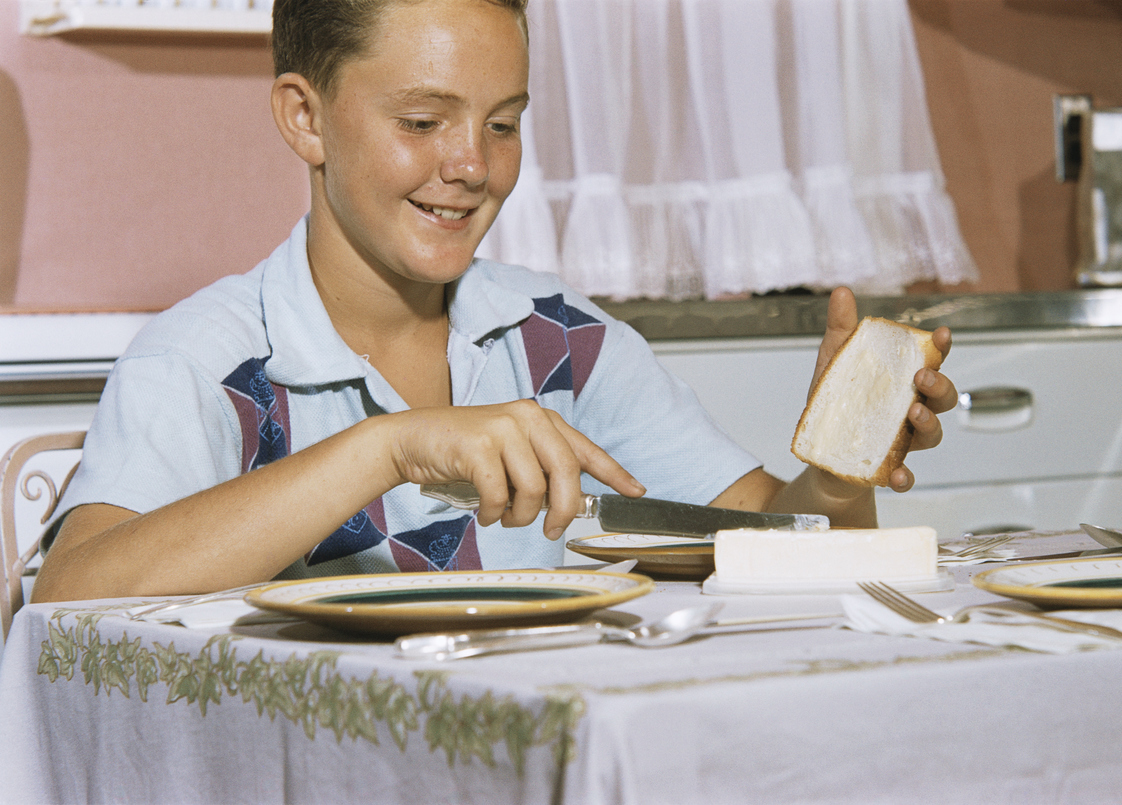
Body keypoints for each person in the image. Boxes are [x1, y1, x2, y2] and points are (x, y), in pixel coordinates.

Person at [31, 0, 956, 603]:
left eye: (503, 124)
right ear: (304, 118)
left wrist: (836, 478)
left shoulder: (564, 342)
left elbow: (779, 557)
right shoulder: (203, 362)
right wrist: (386, 447)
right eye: (421, 123)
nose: (472, 167)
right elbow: (73, 594)